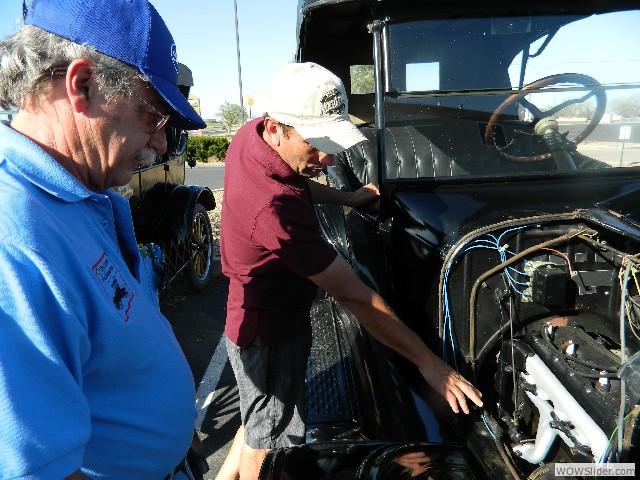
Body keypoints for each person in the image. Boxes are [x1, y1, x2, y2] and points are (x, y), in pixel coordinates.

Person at [217, 62, 483, 480]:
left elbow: (297, 180)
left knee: (262, 416)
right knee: (270, 448)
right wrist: (430, 364)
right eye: (316, 143)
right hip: (270, 330)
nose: (328, 157)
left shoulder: (252, 138)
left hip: (256, 313)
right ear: (275, 128)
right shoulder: (273, 211)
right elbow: (354, 296)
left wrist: (351, 198)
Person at [0, 1, 207, 478]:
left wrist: (178, 428)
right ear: (82, 85)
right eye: (152, 114)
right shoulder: (17, 236)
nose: (160, 142)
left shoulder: (82, 192)